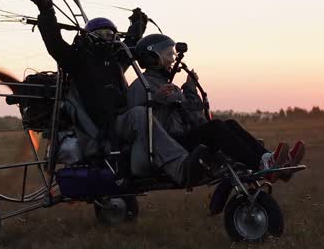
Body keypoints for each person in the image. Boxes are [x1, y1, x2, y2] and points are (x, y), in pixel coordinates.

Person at [27, 0, 207, 185]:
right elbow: (54, 43)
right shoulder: (77, 61)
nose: (108, 38)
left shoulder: (115, 62)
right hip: (104, 127)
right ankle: (181, 168)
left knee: (153, 110)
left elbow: (130, 44)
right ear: (90, 36)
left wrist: (138, 23)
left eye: (111, 34)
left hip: (122, 120)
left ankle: (205, 155)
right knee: (140, 114)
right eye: (103, 34)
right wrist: (46, 10)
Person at [128, 33, 306, 176]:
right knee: (216, 128)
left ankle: (270, 159)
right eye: (168, 55)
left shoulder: (169, 86)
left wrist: (190, 87)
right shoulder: (140, 86)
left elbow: (191, 113)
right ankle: (262, 164)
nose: (173, 60)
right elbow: (140, 122)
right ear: (152, 57)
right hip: (169, 145)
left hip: (183, 136)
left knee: (230, 124)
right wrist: (156, 101)